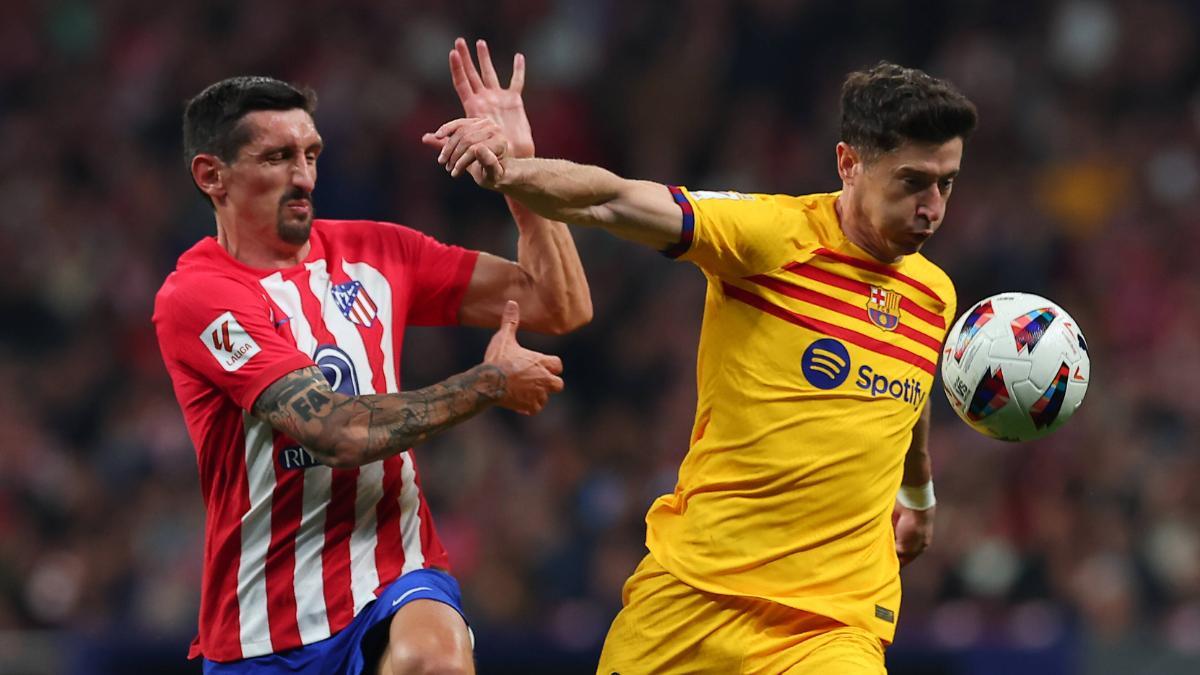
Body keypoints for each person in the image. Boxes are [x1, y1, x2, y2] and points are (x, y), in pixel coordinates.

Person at [428, 61, 977, 672]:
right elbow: (611, 198)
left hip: (830, 626)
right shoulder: (767, 236)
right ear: (849, 163)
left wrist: (919, 494)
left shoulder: (935, 295)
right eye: (913, 182)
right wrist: (510, 171)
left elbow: (910, 387)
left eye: (946, 184)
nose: (932, 207)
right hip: (694, 593)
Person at [153, 40, 590, 674]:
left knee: (433, 662)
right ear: (211, 176)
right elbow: (336, 432)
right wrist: (488, 382)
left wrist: (523, 171)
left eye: (310, 155)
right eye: (277, 158)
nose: (303, 176)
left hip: (396, 575)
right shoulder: (198, 296)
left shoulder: (377, 253)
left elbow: (560, 303)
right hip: (263, 626)